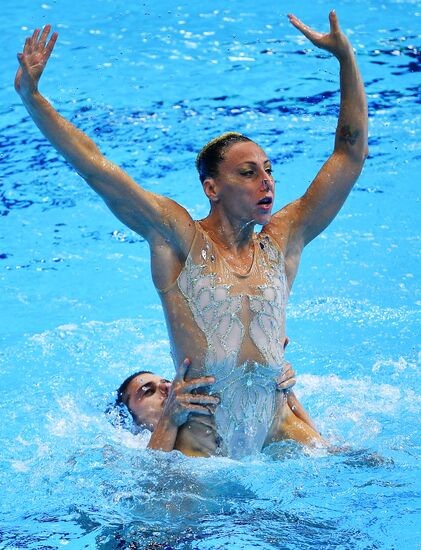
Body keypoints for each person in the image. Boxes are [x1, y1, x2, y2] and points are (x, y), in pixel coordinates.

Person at [15, 11, 368, 458]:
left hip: (278, 432)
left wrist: (345, 59)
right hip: (203, 452)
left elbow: (349, 155)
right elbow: (97, 167)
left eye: (269, 170)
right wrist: (32, 97)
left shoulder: (283, 240)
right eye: (249, 172)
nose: (268, 181)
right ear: (212, 188)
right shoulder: (178, 239)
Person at [114, 356, 325, 453]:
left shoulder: (216, 421)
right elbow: (153, 492)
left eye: (166, 382)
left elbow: (322, 451)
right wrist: (168, 421)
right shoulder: (128, 451)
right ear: (130, 420)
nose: (167, 389)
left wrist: (284, 395)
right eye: (148, 391)